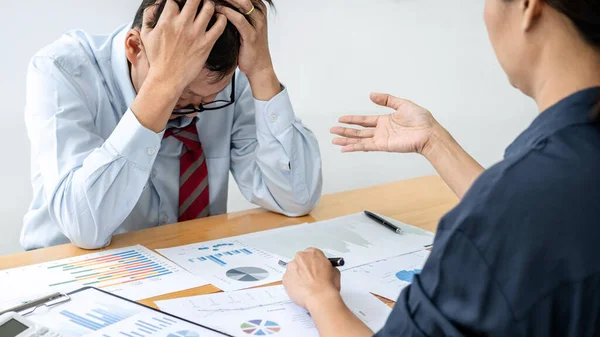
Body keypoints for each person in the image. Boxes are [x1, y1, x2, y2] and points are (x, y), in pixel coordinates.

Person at [282, 0, 600, 335]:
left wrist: (320, 296)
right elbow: (536, 216)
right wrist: (433, 141)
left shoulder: (522, 198)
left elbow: (515, 214)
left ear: (527, 7)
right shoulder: (567, 168)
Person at [21, 0, 323, 250]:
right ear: (134, 47)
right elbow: (84, 227)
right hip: (69, 276)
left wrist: (261, 70)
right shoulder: (62, 70)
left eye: (207, 97)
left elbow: (295, 198)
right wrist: (164, 86)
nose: (193, 110)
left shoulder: (224, 80)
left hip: (188, 269)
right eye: (183, 94)